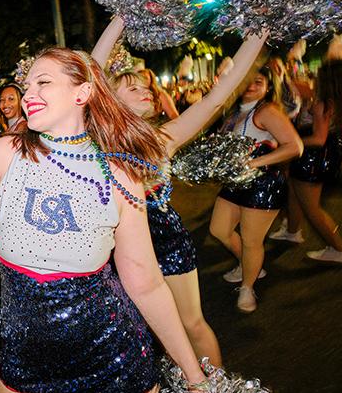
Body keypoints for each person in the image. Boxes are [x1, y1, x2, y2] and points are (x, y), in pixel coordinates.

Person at [0, 47, 205, 393]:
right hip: (27, 352)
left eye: (43, 82)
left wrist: (193, 374)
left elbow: (146, 284)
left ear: (83, 93)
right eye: (27, 85)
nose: (29, 93)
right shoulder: (6, 152)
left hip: (110, 353)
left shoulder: (119, 174)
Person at [102, 19, 268, 366]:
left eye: (146, 86)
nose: (146, 90)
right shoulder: (95, 143)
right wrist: (118, 20)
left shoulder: (163, 138)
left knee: (191, 324)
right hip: (119, 250)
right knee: (140, 333)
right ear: (110, 101)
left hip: (167, 241)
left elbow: (218, 96)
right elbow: (87, 74)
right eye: (133, 88)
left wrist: (257, 35)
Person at [208, 64, 303, 312]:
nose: (251, 85)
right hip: (236, 183)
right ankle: (250, 264)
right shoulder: (235, 111)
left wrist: (254, 162)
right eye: (247, 80)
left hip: (264, 184)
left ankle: (248, 287)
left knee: (252, 241)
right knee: (219, 229)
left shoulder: (267, 110)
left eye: (258, 81)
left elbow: (295, 146)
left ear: (268, 86)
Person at [270, 59, 342, 264]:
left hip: (312, 157)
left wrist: (291, 144)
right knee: (294, 193)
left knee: (312, 208)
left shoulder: (324, 103)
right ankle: (293, 232)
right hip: (315, 156)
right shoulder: (335, 100)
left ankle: (339, 249)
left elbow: (318, 139)